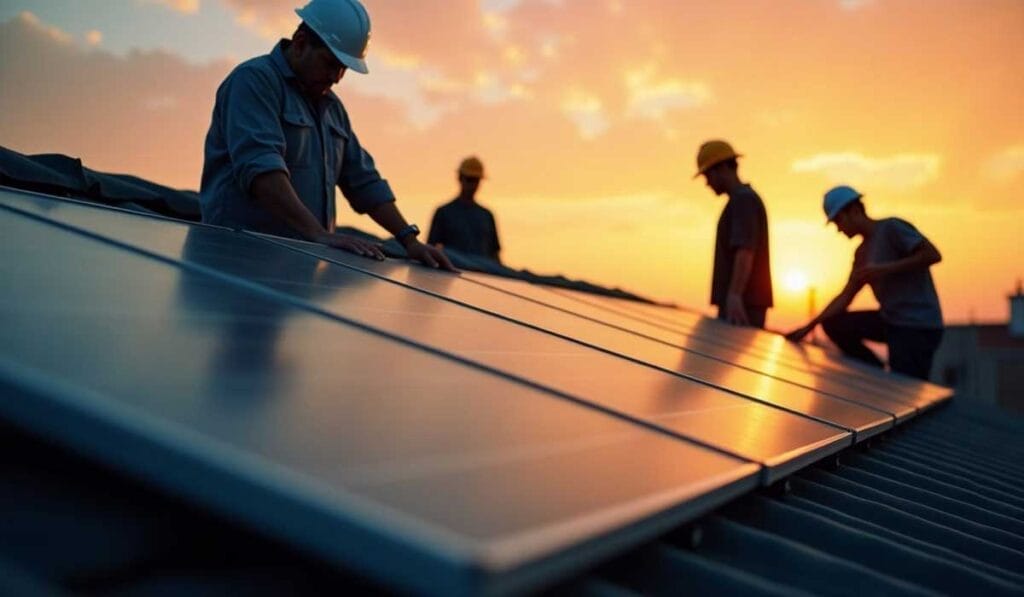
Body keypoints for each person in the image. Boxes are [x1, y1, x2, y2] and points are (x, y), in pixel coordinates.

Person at [199, 0, 454, 271]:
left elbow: (364, 182)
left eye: (344, 68)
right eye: (331, 63)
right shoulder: (254, 82)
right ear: (300, 42)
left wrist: (408, 239)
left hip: (295, 272)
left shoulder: (332, 108)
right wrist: (319, 235)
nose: (337, 77)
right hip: (235, 264)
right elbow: (261, 170)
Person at [785, 185, 944, 380]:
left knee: (905, 387)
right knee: (835, 324)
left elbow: (932, 255)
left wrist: (884, 268)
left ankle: (890, 380)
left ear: (854, 211)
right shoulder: (862, 254)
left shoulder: (892, 228)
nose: (839, 229)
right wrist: (809, 327)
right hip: (891, 321)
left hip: (917, 327)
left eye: (839, 221)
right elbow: (845, 297)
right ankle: (875, 373)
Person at [694, 140, 773, 328]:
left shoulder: (743, 200)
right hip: (743, 303)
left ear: (721, 168)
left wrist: (735, 294)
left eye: (707, 175)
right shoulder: (741, 199)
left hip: (743, 306)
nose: (707, 183)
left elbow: (745, 250)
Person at [427, 157, 502, 263]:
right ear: (460, 178)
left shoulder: (487, 216)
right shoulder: (444, 213)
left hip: (483, 275)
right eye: (469, 179)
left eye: (476, 180)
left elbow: (495, 254)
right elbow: (431, 249)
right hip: (453, 273)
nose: (473, 185)